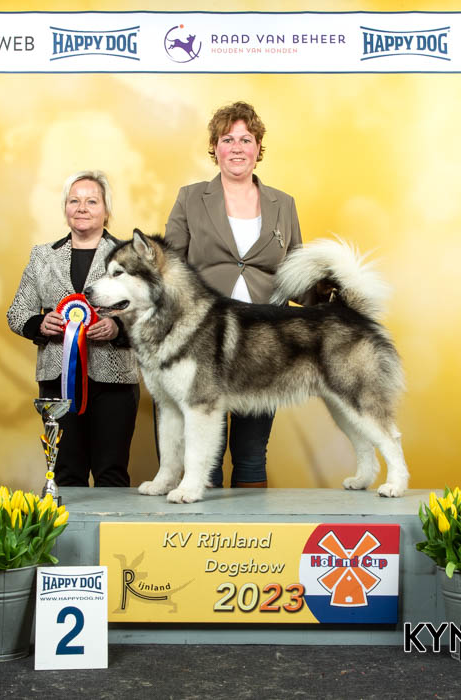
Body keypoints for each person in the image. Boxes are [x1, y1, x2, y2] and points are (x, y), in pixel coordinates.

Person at [164, 101, 308, 489]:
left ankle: (251, 527)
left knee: (252, 451)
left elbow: (297, 273)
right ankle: (202, 524)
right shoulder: (190, 197)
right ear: (214, 147)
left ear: (259, 148)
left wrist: (335, 300)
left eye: (246, 139)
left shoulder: (284, 204)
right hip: (202, 341)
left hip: (264, 341)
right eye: (228, 139)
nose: (237, 148)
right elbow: (169, 267)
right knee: (202, 449)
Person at [7, 171, 140, 487]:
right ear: (65, 208)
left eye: (92, 201)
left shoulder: (130, 256)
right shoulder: (42, 256)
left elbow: (151, 312)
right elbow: (17, 313)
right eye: (74, 201)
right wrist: (40, 323)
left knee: (111, 474)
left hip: (114, 382)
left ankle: (112, 524)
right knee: (65, 473)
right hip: (58, 382)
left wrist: (117, 328)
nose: (82, 208)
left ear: (106, 210)